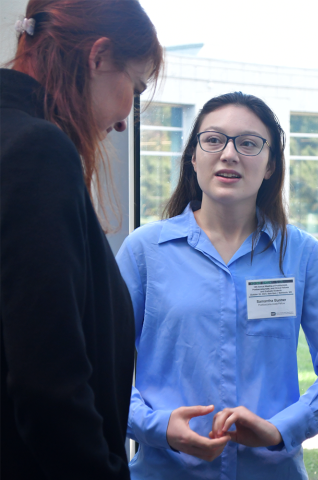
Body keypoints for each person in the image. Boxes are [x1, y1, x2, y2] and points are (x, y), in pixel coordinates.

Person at [116, 92, 318, 479]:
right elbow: (98, 366)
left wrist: (281, 429)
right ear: (193, 158)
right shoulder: (144, 252)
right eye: (214, 140)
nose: (229, 154)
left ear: (270, 166)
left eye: (249, 143)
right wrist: (158, 426)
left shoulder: (301, 254)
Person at [0, 1, 162, 479]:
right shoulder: (37, 151)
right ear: (98, 56)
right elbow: (49, 384)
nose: (123, 120)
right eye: (133, 88)